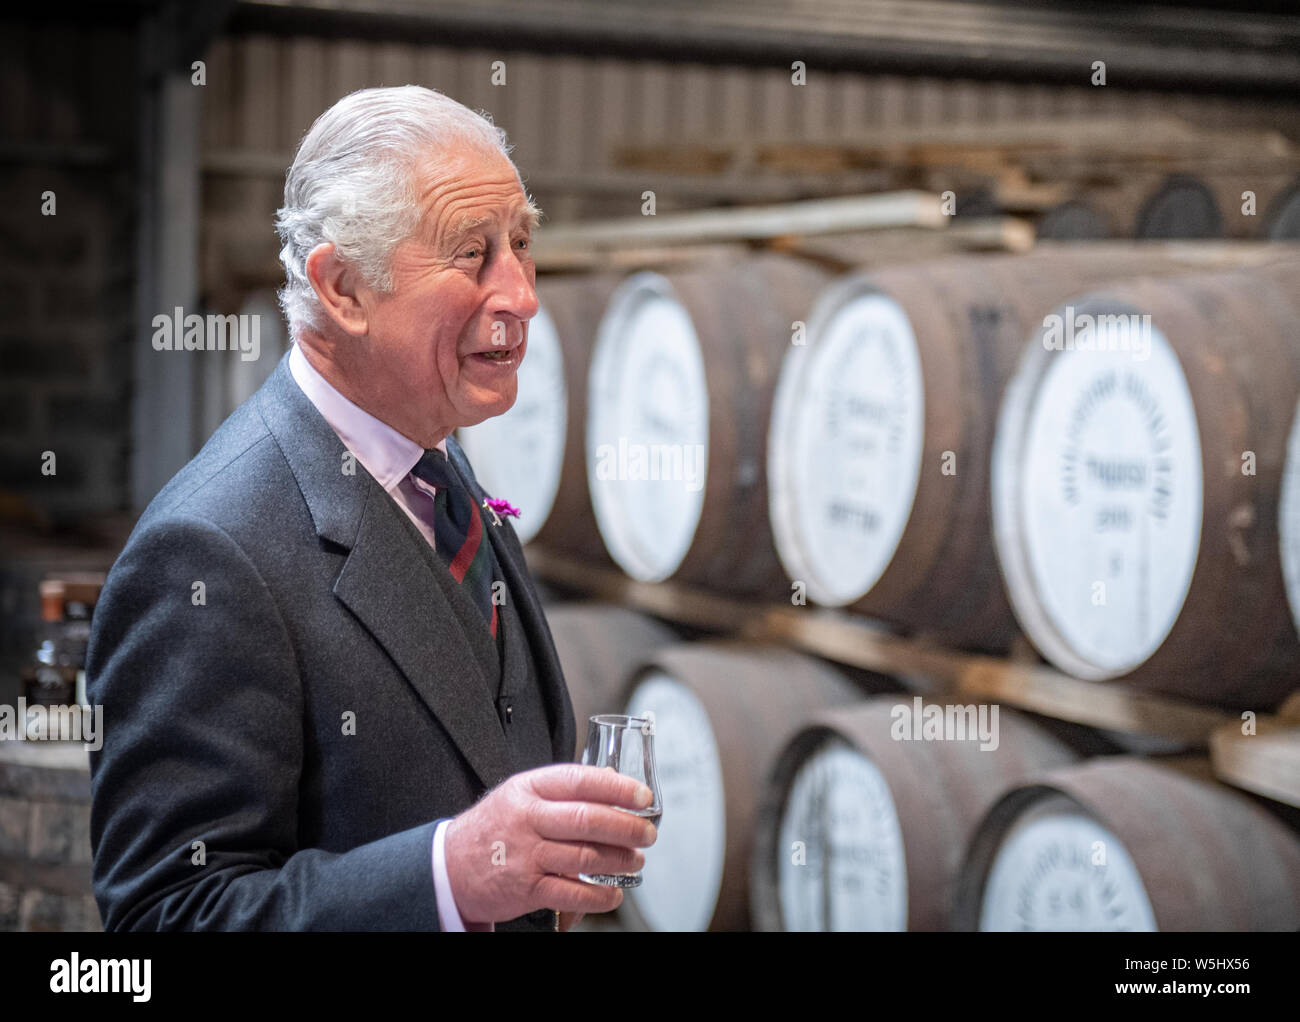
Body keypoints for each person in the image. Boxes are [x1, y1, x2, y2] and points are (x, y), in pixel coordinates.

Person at [85, 85, 655, 932]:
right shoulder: (206, 553)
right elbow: (167, 915)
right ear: (344, 287)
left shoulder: (440, 466)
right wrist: (446, 880)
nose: (523, 295)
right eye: (472, 253)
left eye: (522, 243)